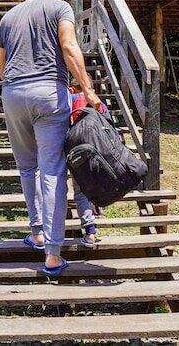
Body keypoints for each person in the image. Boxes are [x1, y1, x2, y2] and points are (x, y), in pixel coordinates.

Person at [0, 0, 103, 275]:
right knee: (52, 171)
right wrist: (87, 89)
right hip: (48, 93)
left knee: (27, 167)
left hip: (13, 93)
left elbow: (2, 67)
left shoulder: (7, 18)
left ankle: (37, 233)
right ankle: (53, 254)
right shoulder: (59, 8)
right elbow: (68, 46)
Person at [68, 80, 105, 246]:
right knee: (96, 183)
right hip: (98, 151)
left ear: (71, 89)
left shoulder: (70, 100)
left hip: (76, 151)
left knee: (80, 191)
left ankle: (90, 231)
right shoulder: (98, 102)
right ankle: (96, 206)